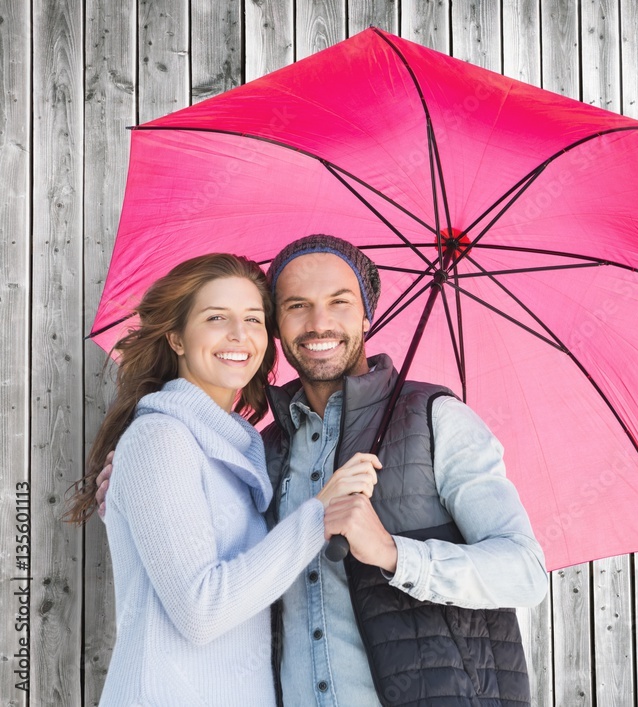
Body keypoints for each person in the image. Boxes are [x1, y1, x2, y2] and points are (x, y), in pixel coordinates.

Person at [98, 236, 549, 706]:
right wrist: (135, 497)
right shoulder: (261, 452)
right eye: (297, 306)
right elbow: (229, 578)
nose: (319, 323)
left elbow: (525, 571)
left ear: (366, 316)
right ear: (278, 326)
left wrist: (396, 554)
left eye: (339, 302)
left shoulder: (434, 418)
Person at [66, 254, 381, 706]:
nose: (239, 335)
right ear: (176, 337)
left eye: (253, 319)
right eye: (217, 318)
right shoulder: (161, 437)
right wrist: (319, 514)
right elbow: (202, 612)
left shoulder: (240, 449)